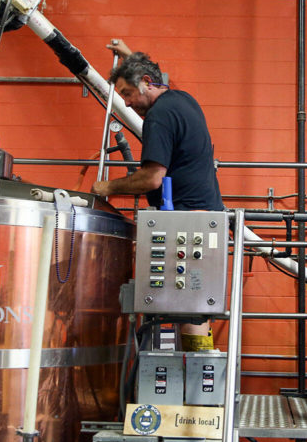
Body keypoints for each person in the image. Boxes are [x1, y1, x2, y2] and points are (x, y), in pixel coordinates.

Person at [92, 40, 224, 349]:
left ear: (147, 84)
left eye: (127, 94)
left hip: (187, 220)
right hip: (204, 218)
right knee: (193, 305)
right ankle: (191, 383)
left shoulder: (158, 116)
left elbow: (152, 179)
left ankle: (192, 382)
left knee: (189, 307)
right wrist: (129, 56)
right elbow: (153, 73)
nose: (126, 103)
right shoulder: (182, 99)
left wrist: (107, 187)